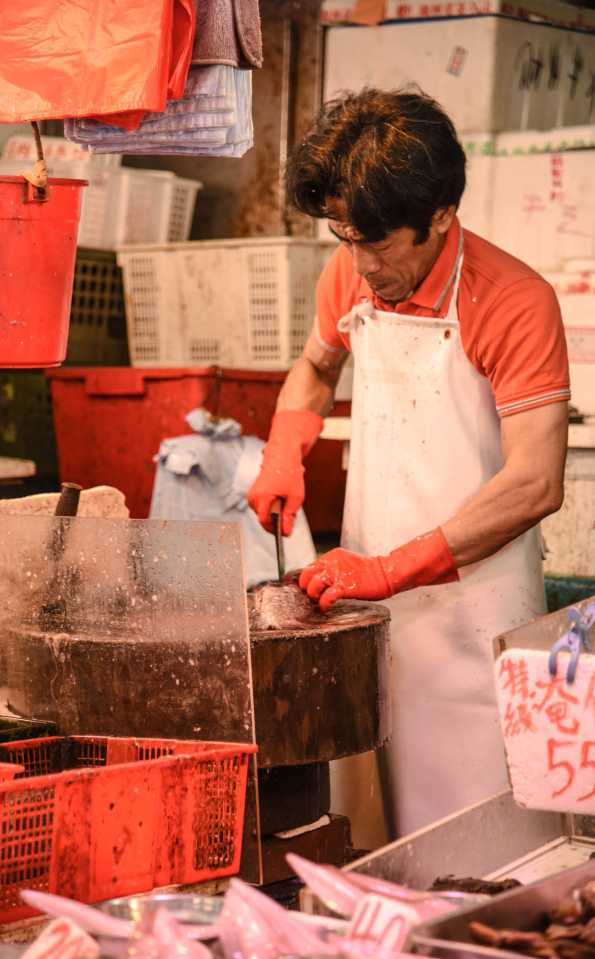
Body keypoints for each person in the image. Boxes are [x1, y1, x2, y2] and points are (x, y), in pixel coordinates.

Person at [247, 87, 570, 838]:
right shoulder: (351, 271)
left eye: (381, 243)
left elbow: (535, 482)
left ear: (442, 216)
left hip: (473, 612)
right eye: (344, 237)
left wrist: (393, 568)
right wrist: (283, 450)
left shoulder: (516, 301)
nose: (361, 263)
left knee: (477, 841)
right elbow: (316, 367)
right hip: (366, 608)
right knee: (363, 829)